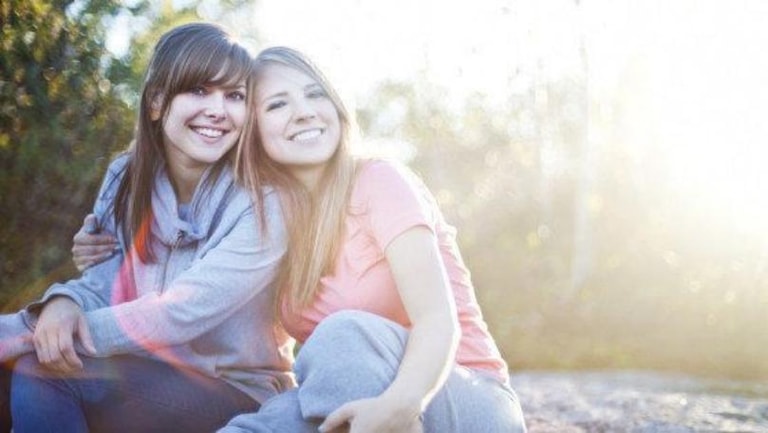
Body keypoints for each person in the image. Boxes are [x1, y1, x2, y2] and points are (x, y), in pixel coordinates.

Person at [71, 46, 527, 433]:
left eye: (315, 94)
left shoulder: (379, 181)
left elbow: (437, 320)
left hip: (458, 397)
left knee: (343, 334)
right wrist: (106, 245)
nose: (304, 111)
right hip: (344, 396)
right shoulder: (267, 221)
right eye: (277, 105)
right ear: (252, 132)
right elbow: (193, 286)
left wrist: (400, 405)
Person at [0, 23, 295, 433]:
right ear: (156, 102)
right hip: (137, 369)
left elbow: (182, 311)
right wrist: (63, 302)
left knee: (45, 372)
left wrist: (40, 332)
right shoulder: (127, 177)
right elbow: (103, 285)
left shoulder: (265, 203)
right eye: (199, 90)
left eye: (234, 96)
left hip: (233, 388)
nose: (218, 110)